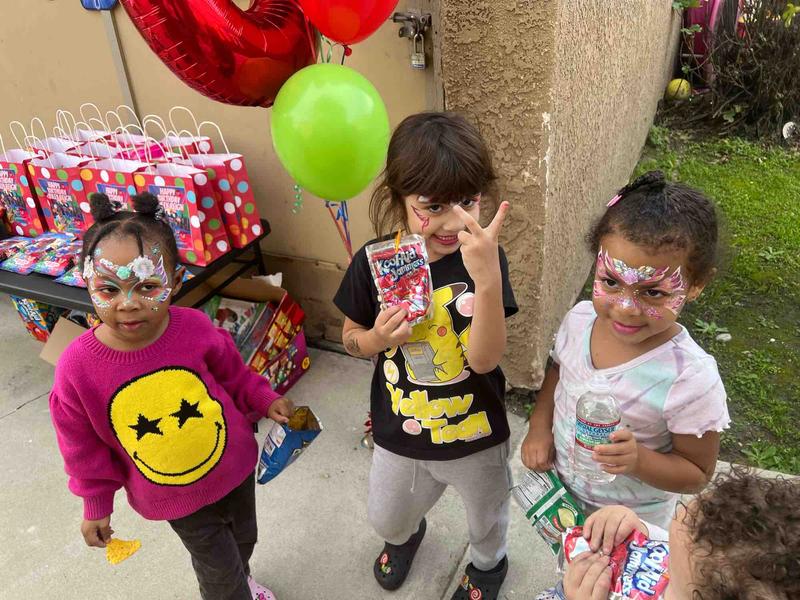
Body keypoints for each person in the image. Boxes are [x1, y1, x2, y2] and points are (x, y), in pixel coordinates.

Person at [49, 192, 293, 600]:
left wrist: (266, 399)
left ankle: (243, 579)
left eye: (147, 286)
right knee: (218, 572)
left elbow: (235, 377)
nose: (128, 304)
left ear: (176, 281)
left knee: (243, 542)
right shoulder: (77, 368)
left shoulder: (194, 328)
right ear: (84, 280)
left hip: (234, 469)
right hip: (174, 496)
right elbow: (81, 446)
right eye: (108, 289)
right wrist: (96, 503)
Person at [334, 112, 518, 599]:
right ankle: (406, 536)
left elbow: (485, 361)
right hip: (403, 425)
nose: (453, 221)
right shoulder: (375, 262)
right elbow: (350, 336)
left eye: (467, 201)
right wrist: (376, 339)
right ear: (399, 198)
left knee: (487, 518)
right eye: (432, 206)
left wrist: (487, 280)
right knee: (387, 516)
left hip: (475, 430)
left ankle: (488, 567)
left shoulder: (485, 258)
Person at [522, 171, 730, 529]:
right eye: (610, 282)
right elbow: (558, 371)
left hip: (630, 527)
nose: (626, 307)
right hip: (564, 500)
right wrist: (539, 427)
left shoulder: (690, 378)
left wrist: (639, 461)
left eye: (653, 292)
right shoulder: (579, 321)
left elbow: (697, 473)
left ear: (696, 284)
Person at [543, 468, 800, 599]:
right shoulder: (699, 562)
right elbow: (674, 546)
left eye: (672, 577)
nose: (662, 562)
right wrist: (639, 529)